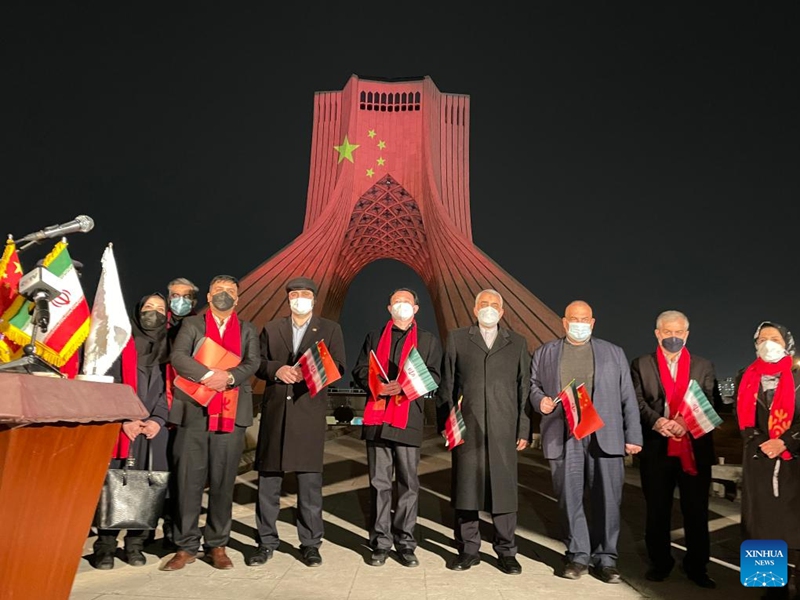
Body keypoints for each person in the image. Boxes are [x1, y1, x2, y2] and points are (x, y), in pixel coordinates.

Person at [530, 299, 642, 584]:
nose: (579, 325)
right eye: (573, 320)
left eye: (585, 320)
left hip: (604, 433)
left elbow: (628, 396)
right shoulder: (545, 353)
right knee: (569, 497)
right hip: (564, 434)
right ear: (564, 322)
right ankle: (578, 555)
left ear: (592, 323)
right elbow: (533, 385)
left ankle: (607, 558)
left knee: (608, 498)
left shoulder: (613, 353)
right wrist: (539, 400)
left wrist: (634, 436)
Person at [162, 275, 260, 571]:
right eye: (219, 290)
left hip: (231, 417)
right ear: (208, 296)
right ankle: (186, 545)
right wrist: (208, 376)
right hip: (194, 413)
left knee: (222, 483)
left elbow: (252, 362)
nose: (225, 295)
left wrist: (228, 377)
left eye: (231, 291)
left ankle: (217, 544)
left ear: (238, 299)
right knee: (187, 481)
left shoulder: (247, 329)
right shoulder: (192, 326)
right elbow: (178, 357)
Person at [247, 277, 346, 568]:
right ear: (288, 299)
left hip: (308, 413)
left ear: (313, 300)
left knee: (310, 485)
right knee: (268, 483)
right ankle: (265, 542)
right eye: (294, 295)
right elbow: (259, 363)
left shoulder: (329, 329)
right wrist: (279, 370)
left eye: (305, 295)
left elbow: (339, 365)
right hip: (277, 413)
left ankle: (311, 543)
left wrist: (310, 370)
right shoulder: (273, 328)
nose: (299, 299)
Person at [435, 289, 530, 575]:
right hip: (467, 426)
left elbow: (524, 388)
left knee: (504, 489)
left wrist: (523, 426)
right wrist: (447, 424)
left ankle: (506, 550)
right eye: (483, 304)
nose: (489, 309)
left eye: (494, 305)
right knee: (467, 488)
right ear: (475, 310)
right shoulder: (458, 338)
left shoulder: (517, 343)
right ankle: (468, 549)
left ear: (502, 312)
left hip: (504, 426)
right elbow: (447, 386)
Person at [351, 288, 442, 568]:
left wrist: (405, 386)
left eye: (407, 302)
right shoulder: (375, 337)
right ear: (388, 308)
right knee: (379, 484)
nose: (402, 306)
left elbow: (435, 376)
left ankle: (405, 542)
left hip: (407, 419)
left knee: (408, 484)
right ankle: (380, 542)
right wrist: (376, 384)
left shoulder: (428, 341)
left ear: (416, 308)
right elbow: (358, 370)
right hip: (377, 419)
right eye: (397, 302)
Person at [630, 310, 717, 588]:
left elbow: (709, 401)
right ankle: (660, 562)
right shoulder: (642, 364)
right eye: (667, 332)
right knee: (657, 509)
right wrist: (658, 423)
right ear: (657, 333)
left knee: (696, 510)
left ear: (687, 334)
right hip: (657, 447)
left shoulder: (703, 365)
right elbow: (637, 400)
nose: (673, 337)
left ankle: (697, 566)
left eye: (679, 332)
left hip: (693, 448)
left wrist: (684, 423)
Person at [92, 293, 170, 569]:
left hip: (151, 431)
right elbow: (107, 386)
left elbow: (167, 391)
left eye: (161, 309)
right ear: (137, 313)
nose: (154, 313)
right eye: (148, 307)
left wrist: (158, 420)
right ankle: (105, 546)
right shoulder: (119, 344)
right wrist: (123, 419)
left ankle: (135, 544)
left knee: (147, 486)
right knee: (113, 486)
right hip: (121, 427)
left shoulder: (167, 349)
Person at [736, 321, 800, 600]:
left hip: (794, 463)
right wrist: (761, 440)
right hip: (759, 459)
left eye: (774, 338)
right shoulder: (745, 377)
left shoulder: (798, 377)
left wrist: (785, 441)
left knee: (795, 524)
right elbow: (743, 419)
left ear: (787, 343)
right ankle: (771, 588)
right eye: (762, 338)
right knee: (762, 526)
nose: (768, 343)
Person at [159, 276, 199, 550]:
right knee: (157, 473)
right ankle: (149, 530)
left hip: (185, 410)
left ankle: (178, 532)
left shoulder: (200, 328)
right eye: (175, 296)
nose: (180, 301)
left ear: (194, 301)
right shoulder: (158, 325)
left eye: (185, 296)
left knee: (183, 478)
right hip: (158, 409)